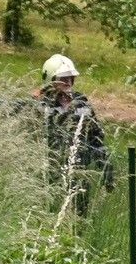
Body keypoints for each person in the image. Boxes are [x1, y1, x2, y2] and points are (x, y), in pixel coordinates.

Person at [38, 54, 113, 214]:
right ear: (51, 79)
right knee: (49, 210)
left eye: (70, 78)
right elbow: (15, 107)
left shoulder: (81, 104)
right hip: (50, 169)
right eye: (63, 78)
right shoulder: (41, 105)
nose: (68, 82)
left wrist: (105, 163)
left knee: (80, 213)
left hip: (79, 169)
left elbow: (95, 136)